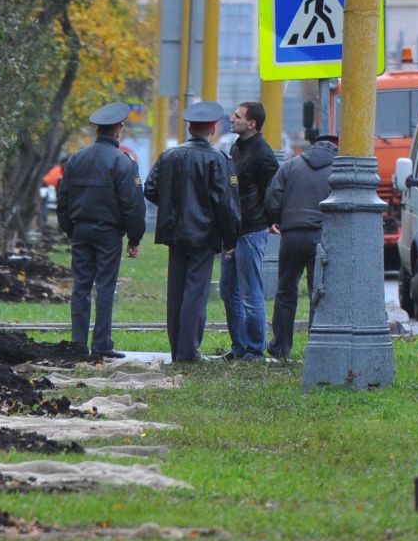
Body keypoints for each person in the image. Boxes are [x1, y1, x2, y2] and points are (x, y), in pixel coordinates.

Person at [144, 102, 241, 364]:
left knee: (176, 291)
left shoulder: (169, 156)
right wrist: (229, 239)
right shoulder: (219, 160)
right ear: (212, 128)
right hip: (204, 234)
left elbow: (150, 189)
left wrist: (172, 208)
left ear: (189, 127)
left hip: (175, 233)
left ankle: (177, 350)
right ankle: (188, 352)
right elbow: (225, 204)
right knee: (195, 293)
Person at [56, 102, 147, 359]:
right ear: (118, 129)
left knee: (80, 287)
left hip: (81, 231)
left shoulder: (76, 158)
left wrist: (70, 229)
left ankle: (77, 344)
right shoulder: (123, 162)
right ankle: (101, 344)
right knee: (105, 287)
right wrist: (134, 238)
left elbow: (63, 198)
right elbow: (133, 204)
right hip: (108, 234)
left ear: (98, 130)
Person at [262, 133, 338, 360]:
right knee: (318, 293)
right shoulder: (339, 168)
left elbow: (272, 196)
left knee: (286, 291)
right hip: (322, 237)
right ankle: (316, 345)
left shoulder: (291, 164)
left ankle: (280, 347)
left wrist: (276, 219)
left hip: (292, 235)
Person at [220, 101, 279, 362]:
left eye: (237, 116)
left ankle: (255, 350)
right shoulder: (237, 148)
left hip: (251, 229)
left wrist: (271, 219)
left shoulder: (262, 153)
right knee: (228, 290)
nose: (232, 119)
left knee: (250, 292)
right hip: (234, 228)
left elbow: (273, 190)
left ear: (251, 123)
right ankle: (240, 345)